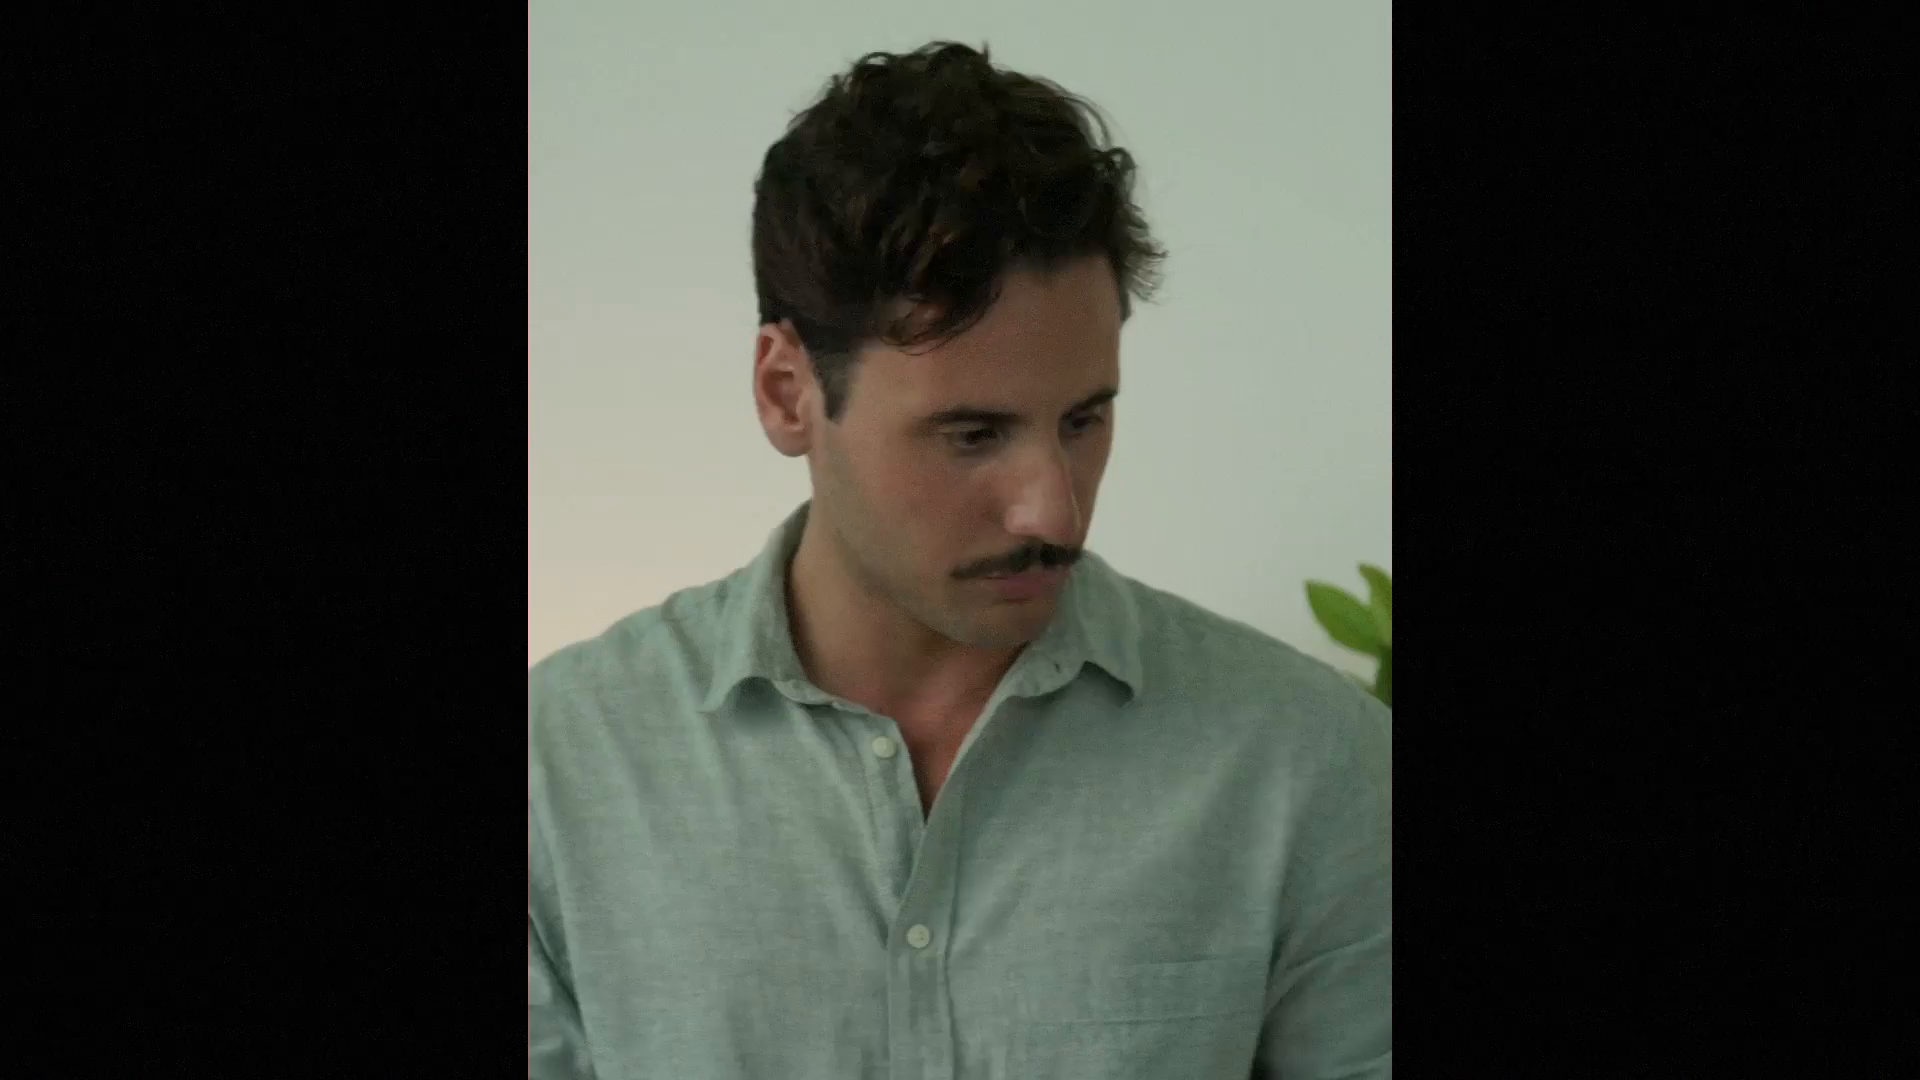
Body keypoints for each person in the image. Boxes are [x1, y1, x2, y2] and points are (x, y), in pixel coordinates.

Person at [528, 40, 1391, 1080]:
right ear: (788, 393)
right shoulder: (559, 778)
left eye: (1084, 419)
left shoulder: (1310, 765)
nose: (1053, 506)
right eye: (972, 434)